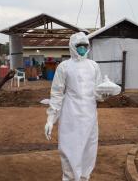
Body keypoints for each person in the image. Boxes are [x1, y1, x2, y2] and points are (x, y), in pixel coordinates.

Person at [44, 32, 105, 181]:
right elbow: (57, 93)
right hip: (70, 115)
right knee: (69, 149)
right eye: (79, 46)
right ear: (72, 46)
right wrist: (51, 119)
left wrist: (104, 94)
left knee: (88, 150)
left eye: (85, 45)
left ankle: (84, 177)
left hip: (90, 116)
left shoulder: (93, 66)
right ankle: (69, 178)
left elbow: (98, 92)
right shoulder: (64, 67)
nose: (82, 48)